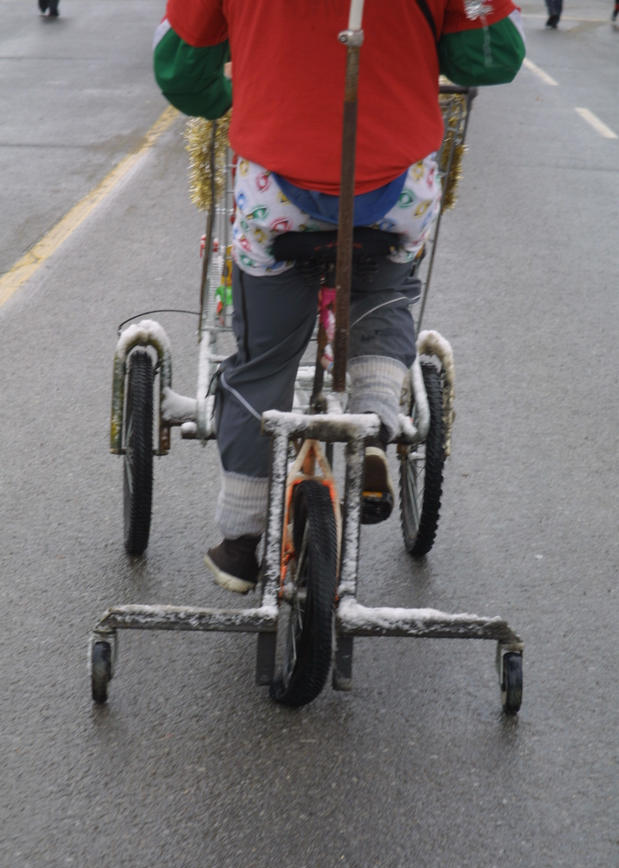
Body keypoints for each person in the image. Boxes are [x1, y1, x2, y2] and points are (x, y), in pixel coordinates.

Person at [153, 0, 525, 593]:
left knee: (264, 357)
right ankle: (371, 425)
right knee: (385, 290)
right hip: (396, 189)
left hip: (275, 193)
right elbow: (492, 59)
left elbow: (182, 74)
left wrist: (236, 99)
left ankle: (241, 538)